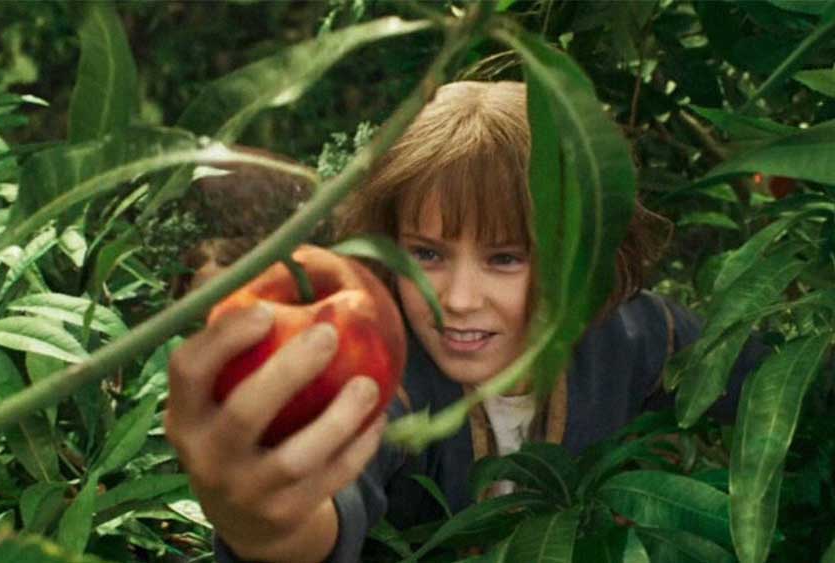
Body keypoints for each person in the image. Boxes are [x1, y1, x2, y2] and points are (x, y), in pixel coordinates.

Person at [164, 81, 762, 562]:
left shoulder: (633, 334)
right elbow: (328, 505)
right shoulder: (386, 373)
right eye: (426, 253)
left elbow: (769, 380)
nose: (458, 299)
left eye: (505, 258)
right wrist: (266, 528)